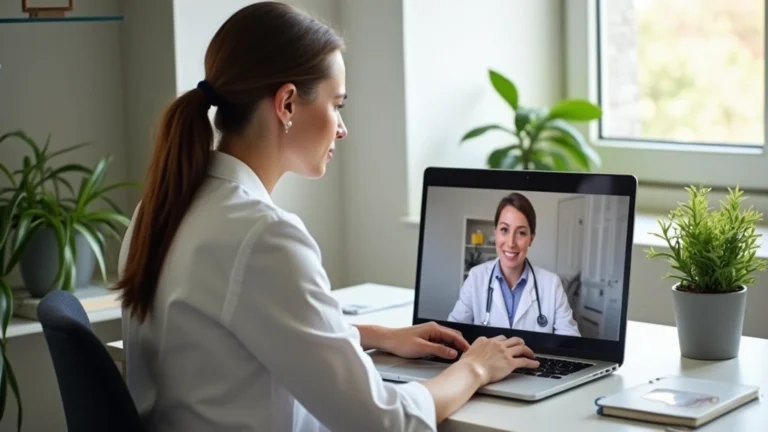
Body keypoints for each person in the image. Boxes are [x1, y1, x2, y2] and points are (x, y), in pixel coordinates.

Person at [114, 3, 540, 431]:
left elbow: (242, 335)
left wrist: (377, 335)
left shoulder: (160, 209)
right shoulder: (262, 235)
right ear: (287, 104)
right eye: (337, 104)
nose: (342, 127)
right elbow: (383, 423)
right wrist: (476, 368)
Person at [447, 192, 581, 337]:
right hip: (486, 359)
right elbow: (453, 334)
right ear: (496, 232)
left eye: (521, 233)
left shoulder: (552, 284)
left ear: (531, 238)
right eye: (504, 230)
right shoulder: (476, 277)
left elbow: (570, 340)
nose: (511, 243)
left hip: (532, 360)